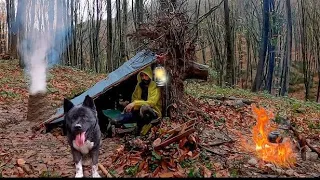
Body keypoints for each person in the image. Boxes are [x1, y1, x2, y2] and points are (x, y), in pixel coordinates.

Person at [113, 66, 162, 133]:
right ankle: (115, 124)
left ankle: (143, 125)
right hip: (138, 111)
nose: (144, 78)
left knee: (144, 108)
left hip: (153, 112)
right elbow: (134, 99)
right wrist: (130, 105)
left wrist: (135, 103)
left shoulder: (154, 86)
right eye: (142, 76)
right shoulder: (139, 86)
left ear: (150, 75)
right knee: (122, 117)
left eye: (146, 75)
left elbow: (152, 103)